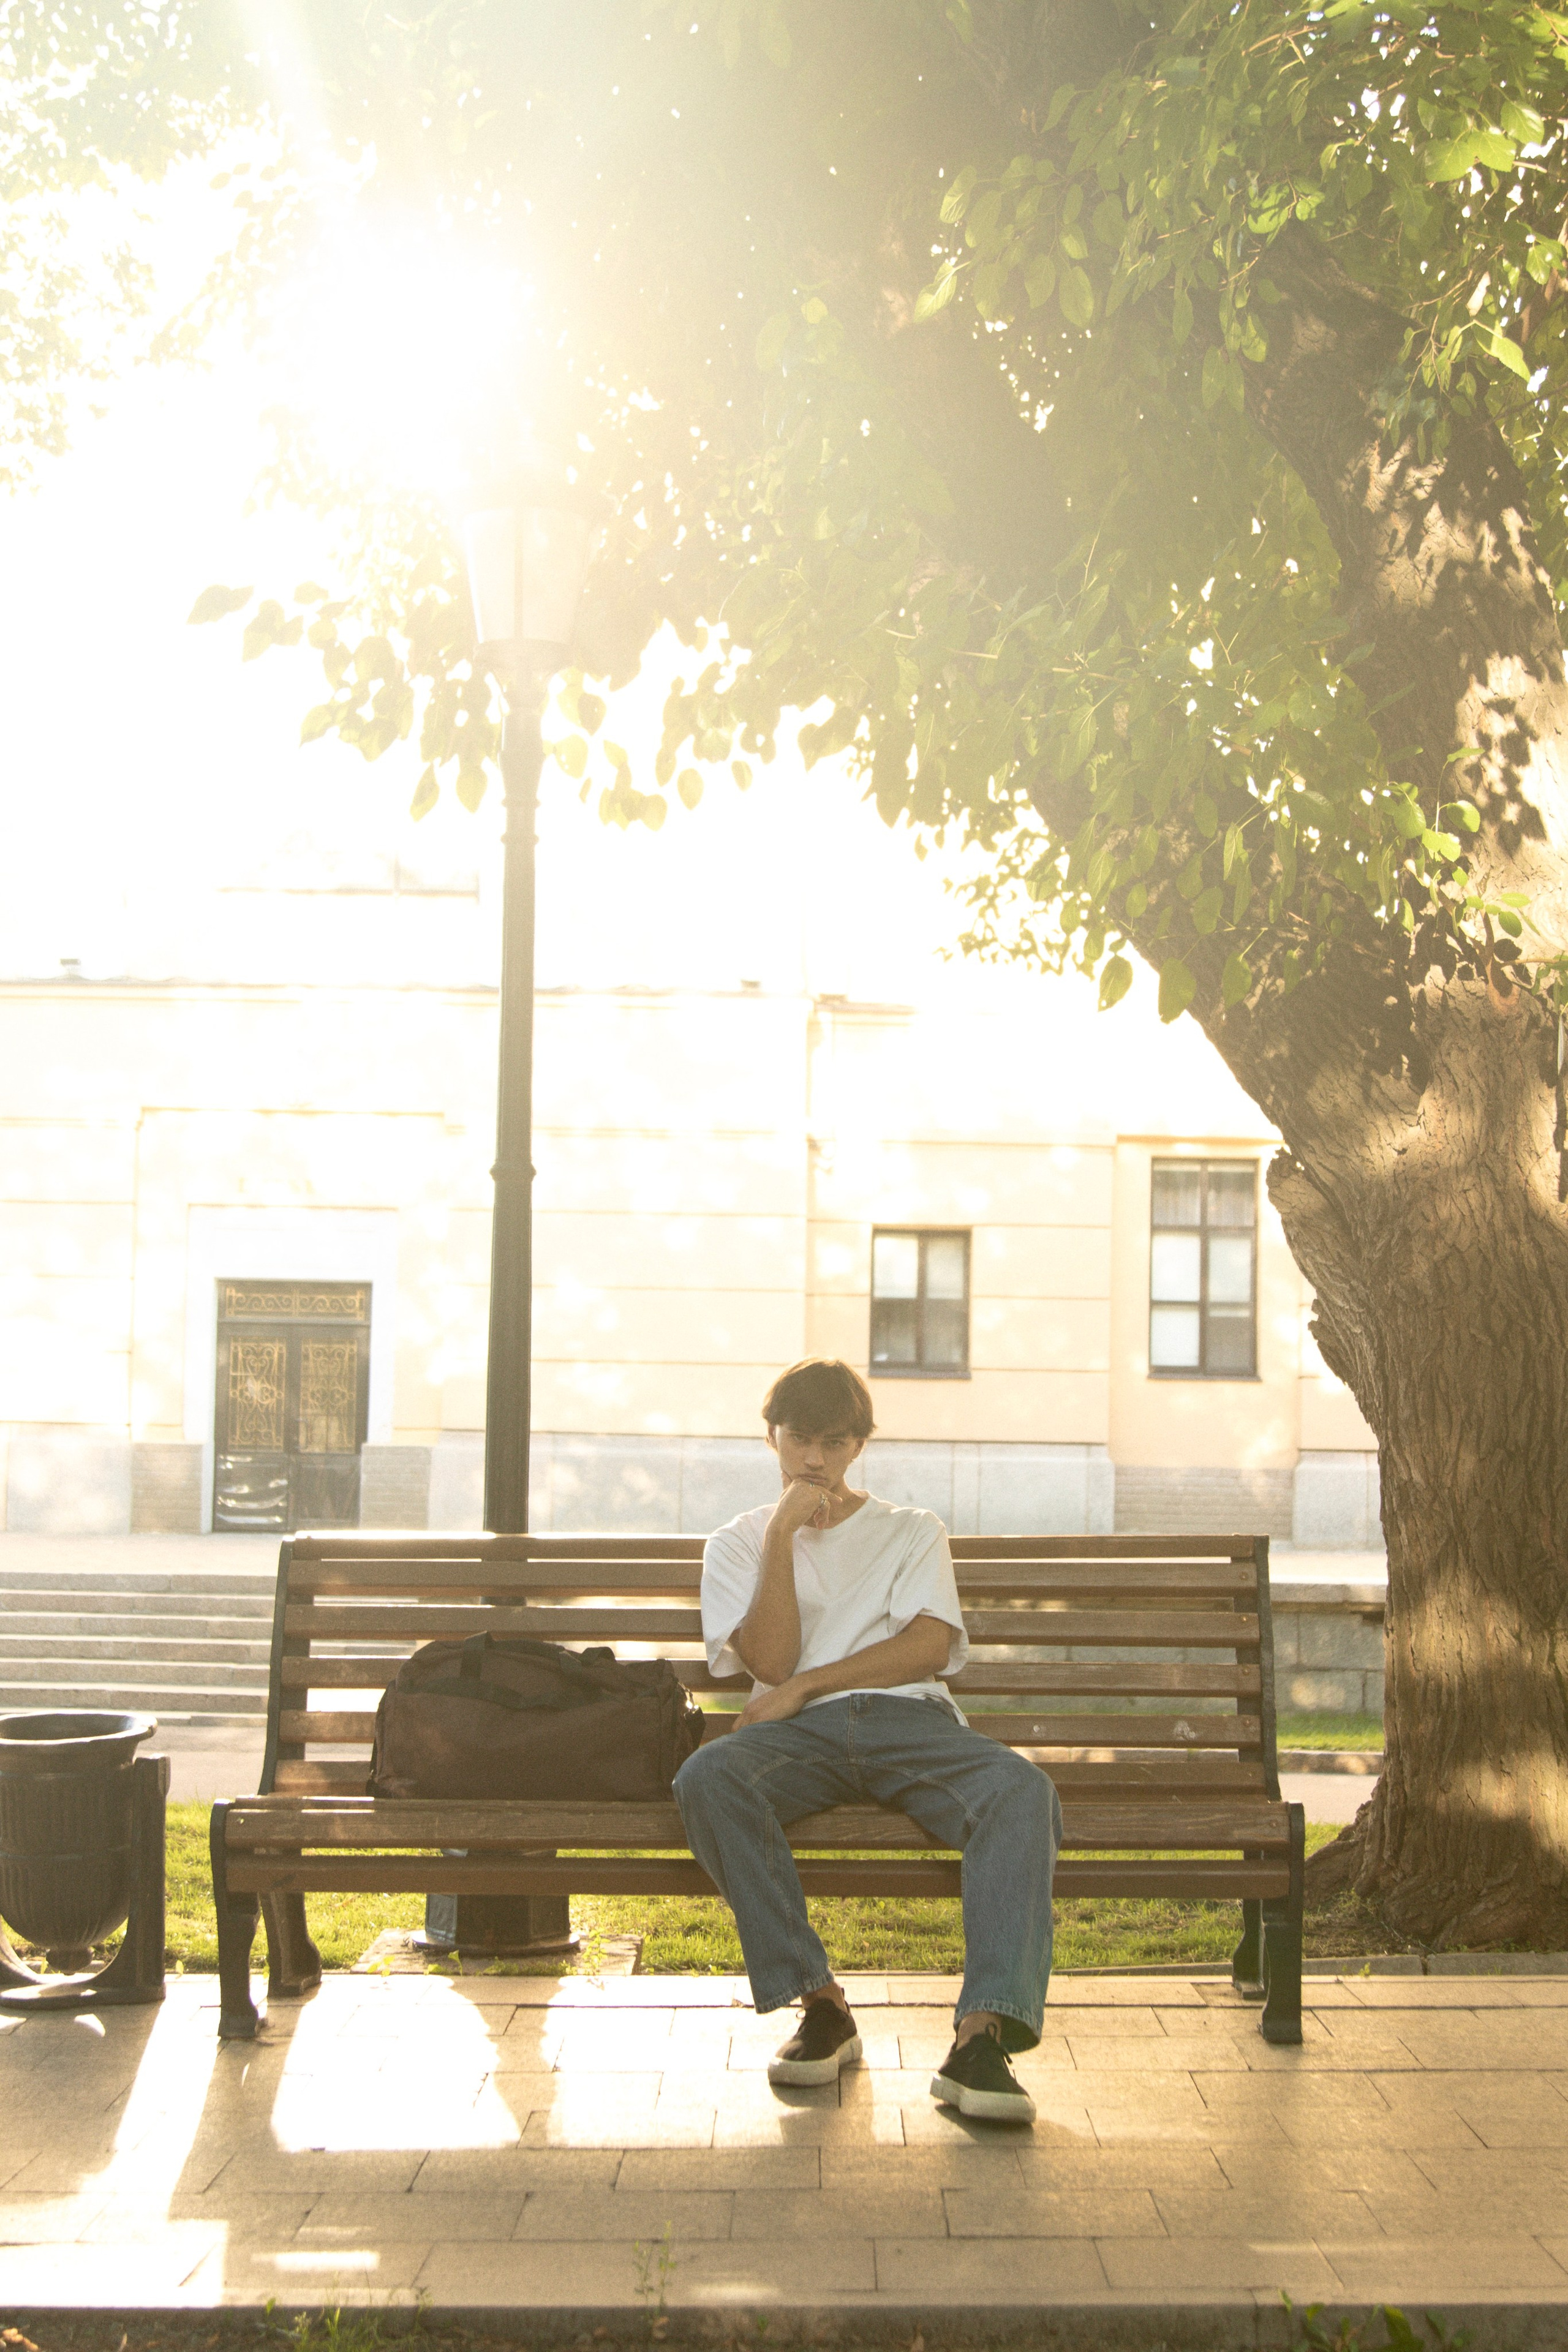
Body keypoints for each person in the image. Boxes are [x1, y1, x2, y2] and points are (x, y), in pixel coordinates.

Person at [673, 1356, 1061, 2125]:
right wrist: (783, 1534)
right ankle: (822, 2007)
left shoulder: (911, 1532)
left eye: (833, 1441)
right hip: (795, 1742)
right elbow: (771, 1661)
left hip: (906, 1721)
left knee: (1021, 1789)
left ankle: (981, 2037)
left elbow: (925, 1647)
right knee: (707, 1779)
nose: (814, 1459)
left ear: (858, 1445)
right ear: (772, 1438)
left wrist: (809, 1685)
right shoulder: (738, 1541)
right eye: (798, 1440)